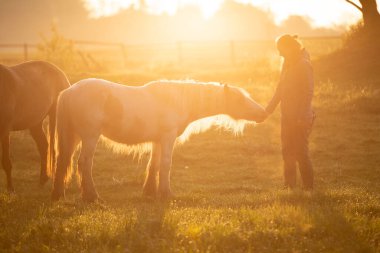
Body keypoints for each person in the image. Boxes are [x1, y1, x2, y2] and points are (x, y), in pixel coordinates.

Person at [262, 34, 315, 190]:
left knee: (300, 153)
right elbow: (280, 89)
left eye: (281, 50)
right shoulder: (287, 64)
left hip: (300, 118)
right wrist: (268, 110)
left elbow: (308, 92)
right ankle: (289, 186)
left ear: (290, 48)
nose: (279, 54)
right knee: (287, 152)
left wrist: (302, 115)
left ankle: (309, 189)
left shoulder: (304, 64)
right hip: (287, 116)